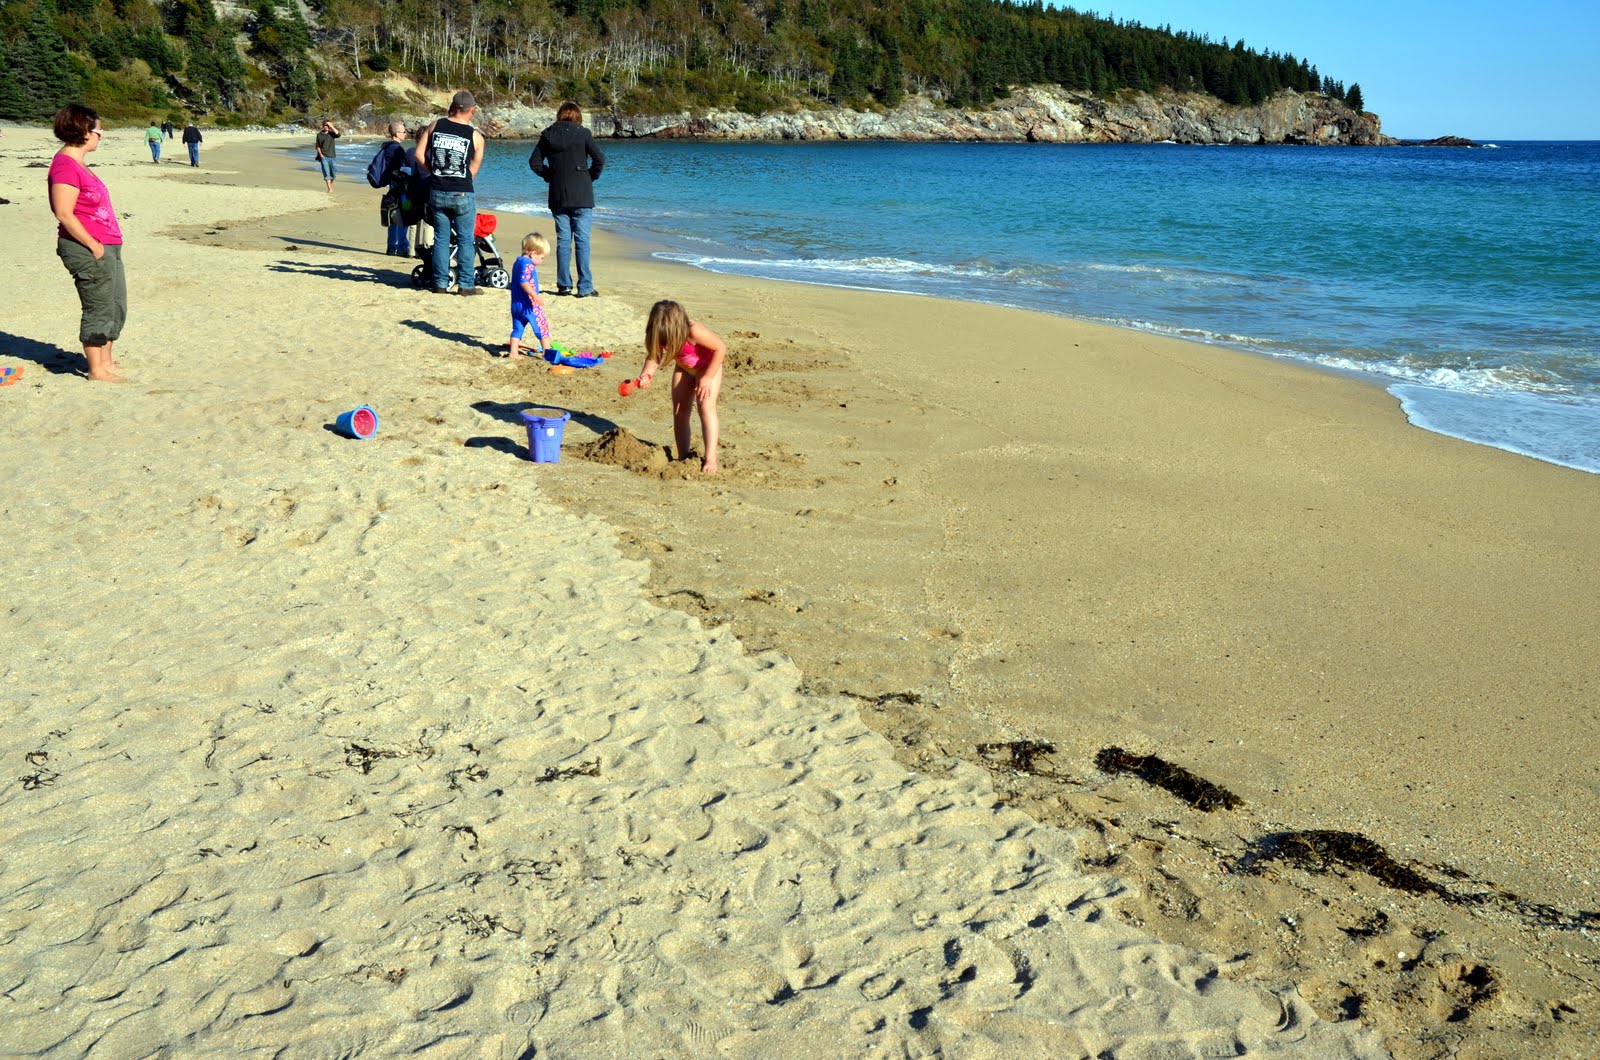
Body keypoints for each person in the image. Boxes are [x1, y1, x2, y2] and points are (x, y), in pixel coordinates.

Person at [48, 104, 127, 383]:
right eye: (98, 130)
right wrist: (94, 246)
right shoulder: (65, 166)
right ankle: (96, 370)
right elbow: (64, 213)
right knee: (99, 306)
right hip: (86, 246)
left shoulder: (78, 163)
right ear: (82, 131)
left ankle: (106, 360)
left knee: (116, 304)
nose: (101, 135)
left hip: (106, 244)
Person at [634, 300, 727, 473]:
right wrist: (646, 374)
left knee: (706, 407)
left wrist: (707, 377)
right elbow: (654, 356)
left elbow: (720, 348)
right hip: (684, 369)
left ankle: (710, 458)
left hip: (707, 368)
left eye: (669, 339)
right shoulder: (660, 333)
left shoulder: (694, 331)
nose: (666, 343)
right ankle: (682, 455)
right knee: (679, 410)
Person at [529, 101, 605, 298]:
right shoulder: (583, 134)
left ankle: (564, 285)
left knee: (563, 241)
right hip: (582, 194)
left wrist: (550, 175)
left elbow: (535, 163)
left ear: (559, 116)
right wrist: (589, 177)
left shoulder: (548, 134)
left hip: (558, 194)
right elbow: (600, 160)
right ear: (578, 117)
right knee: (582, 241)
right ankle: (585, 286)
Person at [415, 90, 486, 295]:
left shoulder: (436, 125)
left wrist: (433, 171)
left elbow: (419, 154)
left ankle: (439, 282)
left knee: (441, 239)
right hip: (462, 192)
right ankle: (465, 285)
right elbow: (473, 168)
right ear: (472, 110)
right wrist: (461, 179)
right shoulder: (475, 136)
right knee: (465, 239)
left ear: (453, 107)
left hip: (437, 189)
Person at [370, 121, 414, 256]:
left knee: (393, 217)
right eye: (403, 132)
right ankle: (402, 247)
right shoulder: (397, 150)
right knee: (404, 216)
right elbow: (400, 169)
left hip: (393, 187)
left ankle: (392, 246)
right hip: (401, 189)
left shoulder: (386, 147)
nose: (405, 133)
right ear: (396, 134)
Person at [507, 233, 552, 361]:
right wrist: (534, 295)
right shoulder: (528, 264)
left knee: (517, 328)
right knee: (542, 327)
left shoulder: (518, 262)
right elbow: (524, 281)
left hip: (516, 304)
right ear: (533, 253)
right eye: (542, 258)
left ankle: (513, 352)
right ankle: (547, 352)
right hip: (529, 304)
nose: (542, 261)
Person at [314, 119, 340, 193]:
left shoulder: (332, 134)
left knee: (333, 175)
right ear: (323, 126)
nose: (327, 127)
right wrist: (321, 155)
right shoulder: (319, 135)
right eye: (326, 125)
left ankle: (330, 186)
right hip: (324, 157)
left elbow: (338, 134)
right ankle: (330, 189)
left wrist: (332, 126)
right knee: (326, 173)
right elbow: (317, 146)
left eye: (328, 125)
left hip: (333, 156)